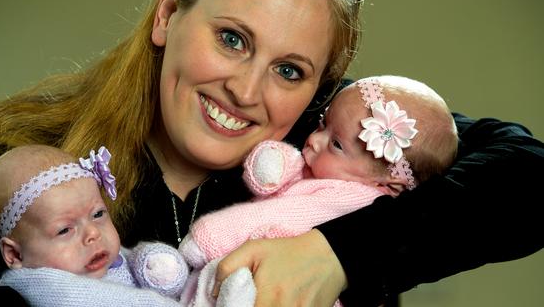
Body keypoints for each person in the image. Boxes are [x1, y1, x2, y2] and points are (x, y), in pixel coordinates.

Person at [0, 0, 542, 306]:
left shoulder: (335, 143)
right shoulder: (29, 165)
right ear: (168, 12)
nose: (246, 89)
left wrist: (336, 253)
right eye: (232, 39)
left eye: (290, 70)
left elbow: (528, 171)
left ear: (323, 86)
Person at [177, 75, 458, 306]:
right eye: (323, 122)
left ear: (388, 184)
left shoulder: (348, 201)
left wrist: (208, 239)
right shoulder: (327, 172)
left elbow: (275, 214)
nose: (313, 139)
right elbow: (278, 172)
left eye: (336, 144)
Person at [0, 144, 188, 306]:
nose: (93, 233)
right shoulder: (46, 287)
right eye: (64, 230)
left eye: (98, 214)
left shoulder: (99, 257)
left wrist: (151, 262)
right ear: (15, 255)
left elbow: (129, 258)